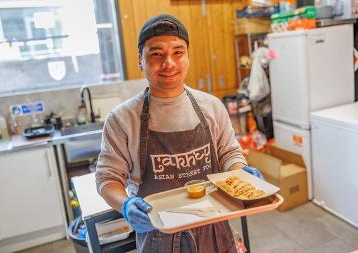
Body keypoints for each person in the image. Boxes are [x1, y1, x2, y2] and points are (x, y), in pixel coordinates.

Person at [95, 13, 264, 253]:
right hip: (158, 236)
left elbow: (229, 154)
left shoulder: (211, 106)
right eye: (156, 54)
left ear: (187, 56)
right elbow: (107, 178)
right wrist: (125, 205)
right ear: (140, 60)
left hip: (214, 228)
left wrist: (242, 175)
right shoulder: (122, 119)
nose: (169, 63)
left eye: (178, 52)